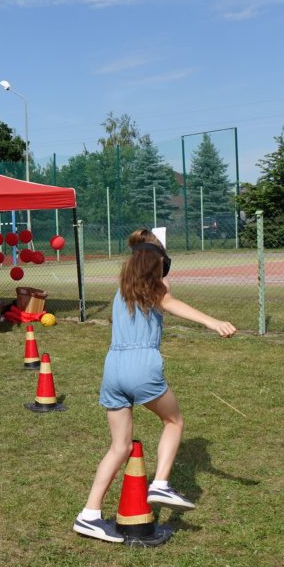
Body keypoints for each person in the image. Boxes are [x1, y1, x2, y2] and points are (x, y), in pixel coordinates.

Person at [73, 229, 237, 543]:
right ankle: (160, 482)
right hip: (141, 366)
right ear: (156, 267)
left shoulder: (122, 291)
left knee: (119, 446)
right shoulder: (157, 290)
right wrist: (213, 322)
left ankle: (89, 515)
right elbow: (174, 302)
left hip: (112, 368)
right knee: (173, 421)